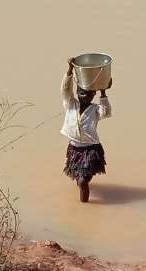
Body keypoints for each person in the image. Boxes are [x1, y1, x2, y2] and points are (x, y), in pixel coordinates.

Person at [60, 57, 112, 202]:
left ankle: (84, 206)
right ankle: (84, 196)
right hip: (74, 148)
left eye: (88, 92)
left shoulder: (95, 110)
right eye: (81, 91)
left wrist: (103, 91)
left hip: (90, 150)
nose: (84, 94)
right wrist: (70, 69)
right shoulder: (70, 103)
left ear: (93, 95)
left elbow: (106, 112)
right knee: (79, 179)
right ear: (77, 91)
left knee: (83, 181)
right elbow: (65, 89)